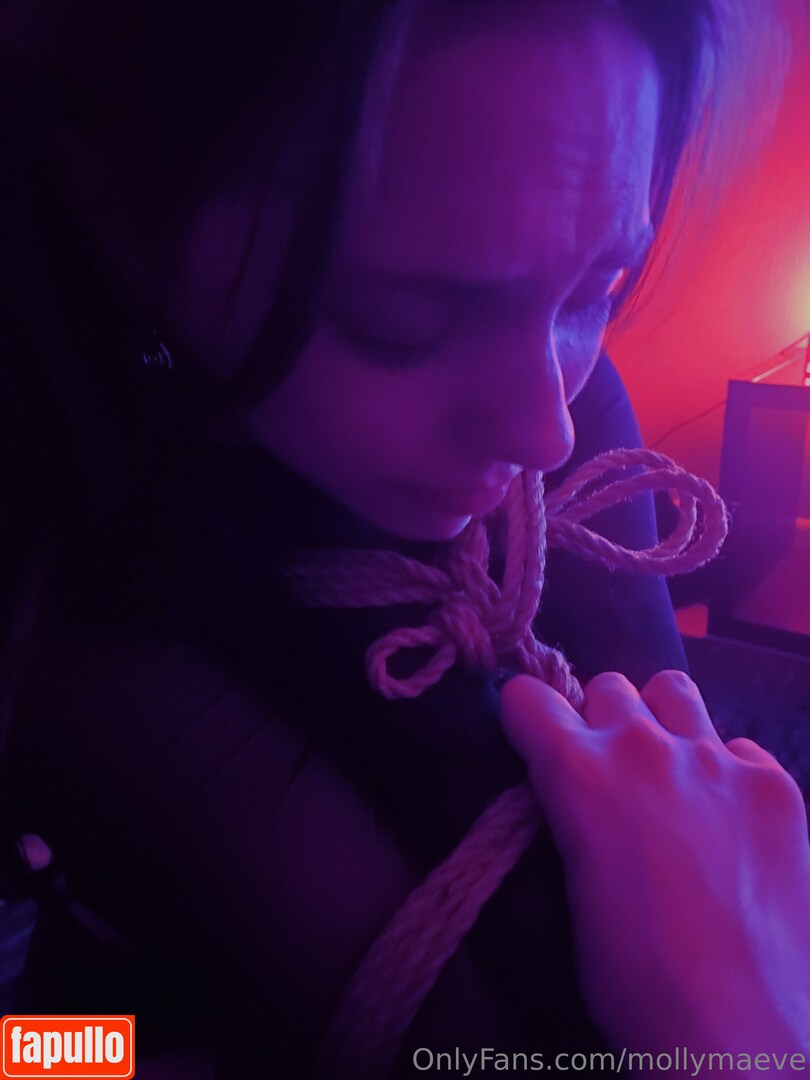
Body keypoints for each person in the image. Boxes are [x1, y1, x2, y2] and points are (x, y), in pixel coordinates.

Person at [1, 1, 807, 1077]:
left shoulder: (560, 401)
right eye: (403, 318)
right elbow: (33, 1049)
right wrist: (746, 1040)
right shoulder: (78, 640)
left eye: (596, 293)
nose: (546, 431)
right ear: (120, 208)